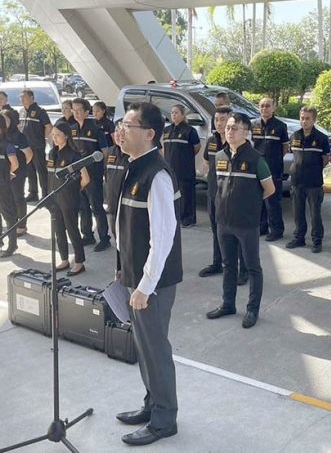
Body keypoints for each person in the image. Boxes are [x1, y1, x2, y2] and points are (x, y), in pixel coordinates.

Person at [114, 102, 182, 446]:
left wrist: (144, 286)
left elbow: (163, 236)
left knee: (155, 350)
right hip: (135, 276)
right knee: (143, 347)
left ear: (150, 134)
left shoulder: (157, 175)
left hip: (151, 283)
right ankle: (152, 403)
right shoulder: (134, 166)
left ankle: (164, 419)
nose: (121, 132)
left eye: (128, 126)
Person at [206, 112, 275, 329]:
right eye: (228, 127)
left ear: (246, 132)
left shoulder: (256, 159)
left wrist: (249, 204)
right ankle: (228, 304)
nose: (229, 131)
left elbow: (270, 189)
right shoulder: (220, 156)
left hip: (246, 224)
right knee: (228, 265)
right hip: (223, 222)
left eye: (234, 128)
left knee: (253, 267)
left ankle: (252, 310)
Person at [198, 106, 248, 284]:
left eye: (223, 120)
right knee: (217, 231)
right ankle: (217, 263)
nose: (219, 123)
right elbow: (206, 162)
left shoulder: (236, 143)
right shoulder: (212, 140)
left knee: (238, 234)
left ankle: (244, 270)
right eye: (216, 120)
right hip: (214, 193)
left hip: (233, 197)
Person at [286, 106, 331, 253]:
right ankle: (299, 237)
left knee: (315, 214)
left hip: (314, 182)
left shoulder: (321, 138)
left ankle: (317, 240)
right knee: (298, 212)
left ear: (314, 120)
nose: (304, 121)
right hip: (296, 181)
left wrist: (314, 169)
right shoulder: (294, 136)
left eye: (307, 118)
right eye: (302, 118)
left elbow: (325, 159)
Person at [48, 121, 89, 276]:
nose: (55, 138)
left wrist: (75, 190)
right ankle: (64, 260)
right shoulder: (52, 153)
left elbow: (86, 178)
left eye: (58, 135)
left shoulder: (74, 155)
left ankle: (79, 262)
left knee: (72, 230)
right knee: (58, 231)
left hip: (69, 199)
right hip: (54, 198)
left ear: (66, 135)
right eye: (53, 135)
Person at [71, 97, 111, 252]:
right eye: (74, 110)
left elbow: (105, 152)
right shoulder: (72, 129)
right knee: (83, 206)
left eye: (79, 110)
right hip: (79, 175)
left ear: (87, 112)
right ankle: (87, 235)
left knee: (96, 206)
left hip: (93, 174)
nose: (76, 113)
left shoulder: (95, 129)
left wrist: (102, 170)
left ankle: (104, 238)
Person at [251, 98, 289, 241]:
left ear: (273, 108)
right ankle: (262, 227)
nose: (264, 108)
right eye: (262, 106)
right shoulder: (253, 124)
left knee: (273, 201)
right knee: (259, 199)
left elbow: (285, 148)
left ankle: (277, 230)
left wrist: (274, 159)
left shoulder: (280, 126)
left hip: (273, 168)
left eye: (267, 106)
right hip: (257, 168)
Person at [163, 104, 201, 227]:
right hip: (170, 167)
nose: (174, 115)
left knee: (186, 193)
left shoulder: (190, 131)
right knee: (172, 194)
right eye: (172, 113)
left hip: (184, 168)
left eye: (176, 113)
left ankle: (188, 218)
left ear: (183, 115)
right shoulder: (167, 130)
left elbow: (196, 147)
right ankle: (176, 217)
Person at [2, 109, 33, 236]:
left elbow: (29, 154)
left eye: (6, 119)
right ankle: (12, 223)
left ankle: (22, 225)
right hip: (4, 173)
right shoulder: (3, 136)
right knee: (8, 198)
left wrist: (20, 168)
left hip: (17, 172)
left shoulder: (19, 136)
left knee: (18, 197)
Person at [19, 89, 52, 201]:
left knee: (41, 170)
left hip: (37, 146)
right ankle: (33, 193)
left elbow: (48, 126)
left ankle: (45, 194)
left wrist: (44, 138)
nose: (22, 99)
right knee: (30, 170)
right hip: (25, 147)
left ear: (31, 98)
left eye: (24, 96)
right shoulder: (21, 111)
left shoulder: (40, 111)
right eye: (21, 97)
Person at [106, 118, 129, 238]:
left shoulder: (133, 154)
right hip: (112, 204)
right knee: (116, 235)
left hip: (127, 207)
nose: (118, 134)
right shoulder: (111, 151)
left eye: (121, 131)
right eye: (116, 131)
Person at [0, 115, 20, 258]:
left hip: (3, 186)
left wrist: (7, 175)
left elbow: (15, 164)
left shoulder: (7, 145)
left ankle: (12, 245)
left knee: (9, 215)